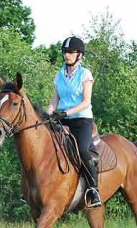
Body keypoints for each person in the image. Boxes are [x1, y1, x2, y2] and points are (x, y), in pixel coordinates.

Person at [46, 36, 101, 208]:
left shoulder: (86, 74)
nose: (67, 55)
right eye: (65, 52)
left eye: (71, 52)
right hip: (63, 121)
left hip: (81, 120)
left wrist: (66, 112)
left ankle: (93, 189)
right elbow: (54, 101)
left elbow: (86, 101)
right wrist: (46, 115)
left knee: (83, 151)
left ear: (79, 55)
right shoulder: (59, 75)